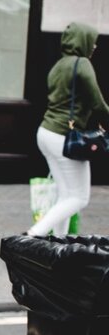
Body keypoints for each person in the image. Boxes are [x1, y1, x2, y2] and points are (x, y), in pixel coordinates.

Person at [29, 22, 109, 237]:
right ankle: (34, 234)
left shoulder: (59, 65)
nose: (93, 47)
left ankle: (58, 241)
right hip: (64, 137)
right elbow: (97, 102)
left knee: (66, 194)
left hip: (46, 133)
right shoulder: (82, 63)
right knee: (79, 198)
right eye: (91, 42)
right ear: (82, 41)